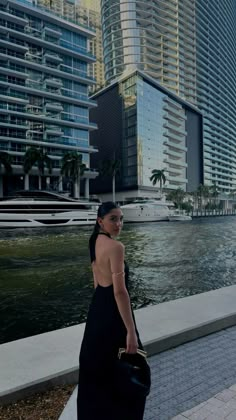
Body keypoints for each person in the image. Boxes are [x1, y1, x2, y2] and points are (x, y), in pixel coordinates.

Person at [77, 202, 147, 420]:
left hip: (97, 311)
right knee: (132, 364)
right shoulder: (116, 248)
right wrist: (131, 330)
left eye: (121, 219)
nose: (119, 224)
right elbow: (120, 292)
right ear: (100, 221)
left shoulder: (94, 241)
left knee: (98, 368)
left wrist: (100, 311)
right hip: (114, 312)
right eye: (113, 219)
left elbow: (96, 282)